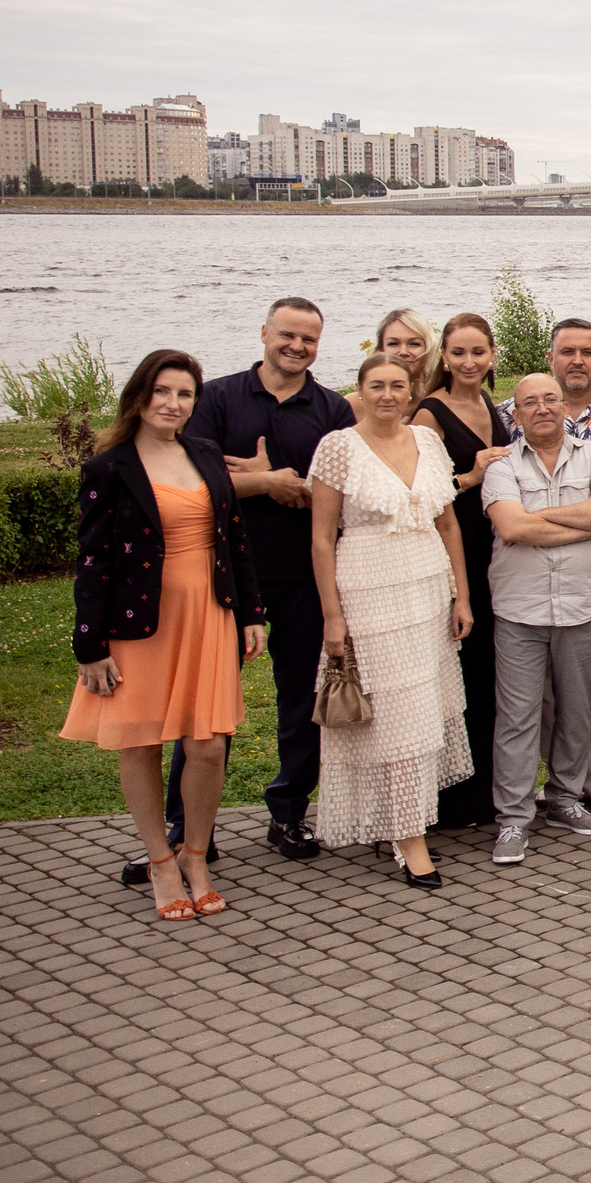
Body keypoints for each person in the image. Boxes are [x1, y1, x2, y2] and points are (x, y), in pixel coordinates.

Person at [67, 350, 266, 920]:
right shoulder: (109, 468)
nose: (172, 403)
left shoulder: (204, 453)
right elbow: (92, 561)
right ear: (139, 396)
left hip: (208, 613)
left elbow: (233, 538)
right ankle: (160, 862)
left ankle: (195, 856)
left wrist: (251, 612)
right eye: (161, 391)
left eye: (183, 394)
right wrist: (90, 646)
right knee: (142, 743)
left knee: (207, 744)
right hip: (138, 624)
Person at [181, 297, 356, 862]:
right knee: (207, 707)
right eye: (287, 335)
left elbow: (347, 494)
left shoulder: (332, 410)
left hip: (306, 579)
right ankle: (187, 829)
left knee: (301, 703)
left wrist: (290, 485)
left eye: (308, 339)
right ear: (264, 333)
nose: (296, 346)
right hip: (227, 577)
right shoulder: (217, 399)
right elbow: (191, 484)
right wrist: (265, 483)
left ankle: (288, 814)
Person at [308, 356, 474, 887]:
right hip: (369, 592)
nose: (386, 394)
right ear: (359, 391)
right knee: (392, 714)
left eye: (397, 386)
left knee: (422, 710)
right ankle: (408, 836)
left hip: (428, 589)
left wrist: (462, 597)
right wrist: (332, 616)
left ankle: (406, 819)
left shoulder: (428, 441)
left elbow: (449, 525)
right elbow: (321, 538)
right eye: (376, 385)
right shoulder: (338, 447)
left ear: (411, 392)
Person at [480, 373, 591, 864]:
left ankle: (564, 799)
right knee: (517, 717)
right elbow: (511, 526)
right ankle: (513, 819)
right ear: (515, 414)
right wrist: (583, 522)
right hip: (519, 608)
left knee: (576, 709)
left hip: (584, 605)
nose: (541, 408)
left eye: (550, 399)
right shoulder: (501, 464)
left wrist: (536, 520)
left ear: (564, 406)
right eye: (529, 402)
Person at [498, 318, 591, 814]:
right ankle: (558, 780)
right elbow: (501, 498)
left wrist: (534, 518)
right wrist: (580, 518)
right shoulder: (508, 415)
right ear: (551, 357)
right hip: (530, 578)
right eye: (567, 351)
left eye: (587, 351)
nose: (577, 360)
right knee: (541, 690)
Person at [413, 312, 510, 831]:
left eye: (478, 352)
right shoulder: (429, 414)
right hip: (452, 553)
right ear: (444, 358)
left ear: (492, 355)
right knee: (455, 674)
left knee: (486, 675)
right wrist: (470, 476)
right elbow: (417, 495)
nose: (469, 362)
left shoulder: (488, 403)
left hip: (494, 551)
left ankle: (484, 794)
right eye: (459, 353)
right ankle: (446, 801)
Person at [347, 307, 436, 424]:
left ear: (428, 349)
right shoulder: (352, 405)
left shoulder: (438, 401)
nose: (403, 352)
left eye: (414, 344)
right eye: (393, 343)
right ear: (381, 348)